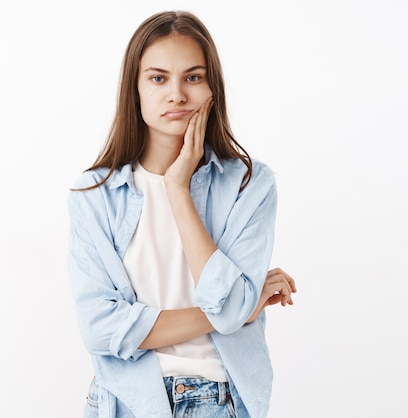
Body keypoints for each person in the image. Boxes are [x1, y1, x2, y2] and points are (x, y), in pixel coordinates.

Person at [67, 10, 296, 418]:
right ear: (134, 90)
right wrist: (239, 308)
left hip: (218, 399)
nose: (176, 94)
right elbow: (99, 329)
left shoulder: (249, 184)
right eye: (158, 78)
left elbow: (230, 311)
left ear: (213, 90)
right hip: (125, 402)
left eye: (193, 77)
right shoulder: (94, 195)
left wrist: (177, 189)